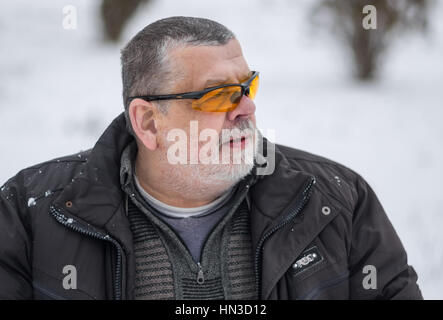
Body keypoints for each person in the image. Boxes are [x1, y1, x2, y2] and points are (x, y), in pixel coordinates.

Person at [0, 16, 422, 300]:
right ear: (148, 122)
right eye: (218, 95)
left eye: (247, 87)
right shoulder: (30, 213)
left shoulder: (335, 202)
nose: (246, 109)